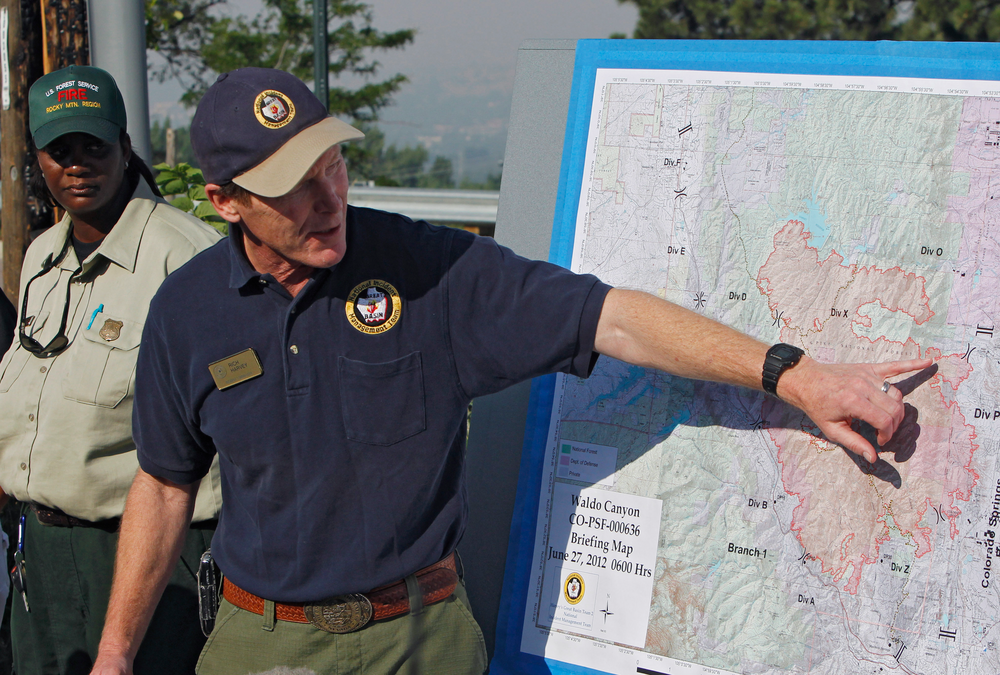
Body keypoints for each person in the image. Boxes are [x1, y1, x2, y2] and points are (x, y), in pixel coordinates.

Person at [91, 67, 931, 675]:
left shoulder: (430, 270)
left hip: (420, 638)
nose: (328, 199)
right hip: (262, 641)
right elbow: (165, 484)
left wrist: (794, 374)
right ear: (224, 201)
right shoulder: (186, 312)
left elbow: (614, 316)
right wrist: (115, 654)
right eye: (291, 189)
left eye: (332, 166)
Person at [0, 65, 224, 674]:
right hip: (41, 554)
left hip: (143, 556)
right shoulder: (43, 257)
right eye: (59, 150)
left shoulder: (186, 255)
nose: (78, 164)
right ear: (37, 160)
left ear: (125, 148)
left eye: (94, 146)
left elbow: (236, 422)